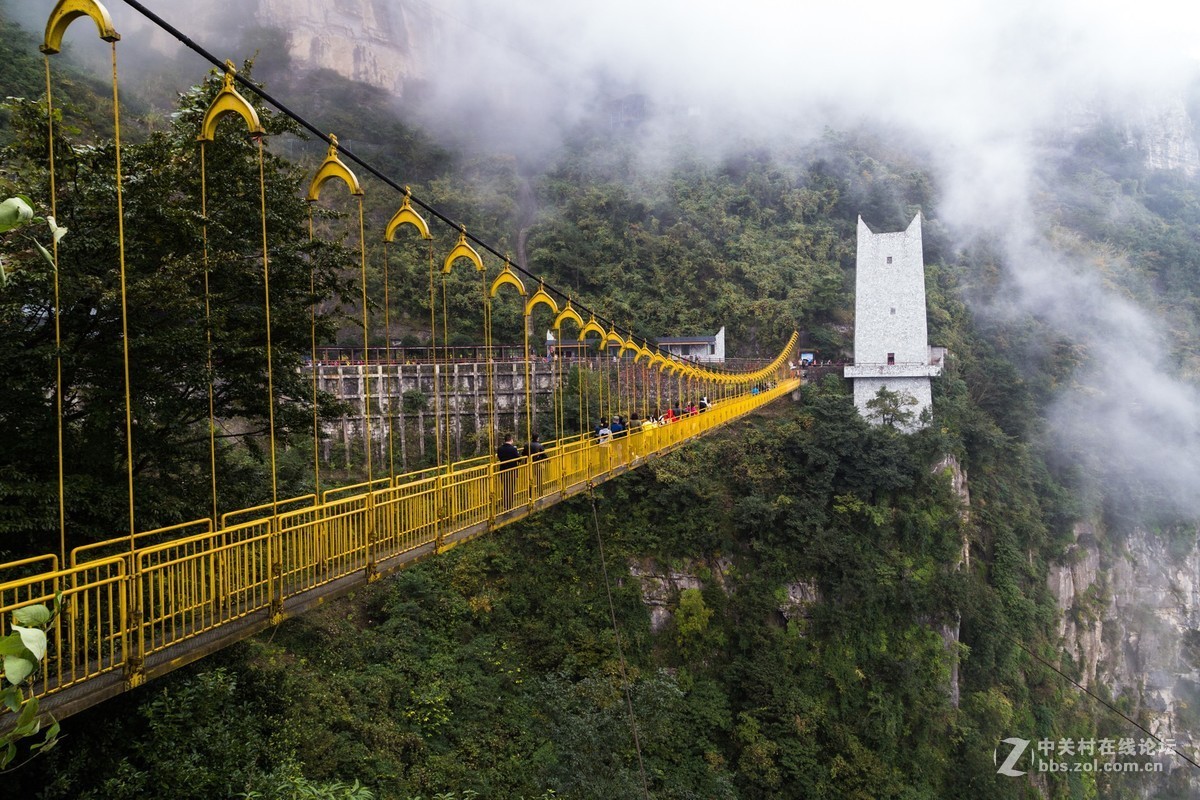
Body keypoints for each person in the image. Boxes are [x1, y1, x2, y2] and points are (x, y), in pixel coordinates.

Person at [496, 432, 520, 511]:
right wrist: (517, 451)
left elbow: (500, 458)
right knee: (511, 488)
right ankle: (510, 506)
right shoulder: (513, 449)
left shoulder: (499, 449)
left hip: (503, 470)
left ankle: (505, 505)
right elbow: (518, 459)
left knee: (505, 488)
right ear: (511, 440)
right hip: (512, 471)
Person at [524, 432, 548, 498]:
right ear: (537, 438)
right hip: (537, 464)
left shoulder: (527, 445)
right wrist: (548, 460)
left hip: (529, 464)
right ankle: (540, 494)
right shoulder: (539, 445)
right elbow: (544, 454)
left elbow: (523, 453)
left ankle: (530, 496)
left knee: (530, 480)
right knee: (539, 480)